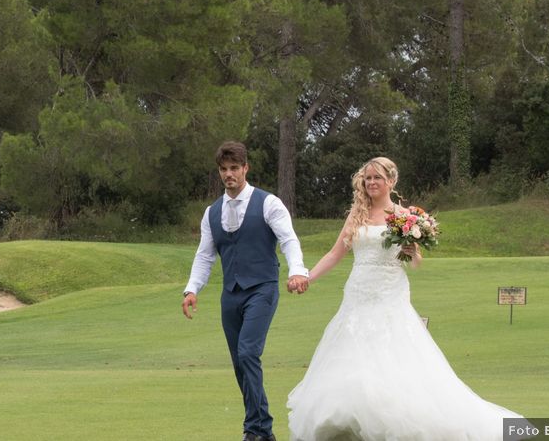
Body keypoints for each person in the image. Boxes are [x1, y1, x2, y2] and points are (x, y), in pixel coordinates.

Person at [287, 157, 524, 440]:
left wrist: (413, 252)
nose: (371, 182)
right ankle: (348, 422)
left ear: (391, 181)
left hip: (390, 291)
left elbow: (415, 262)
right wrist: (307, 277)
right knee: (352, 352)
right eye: (367, 178)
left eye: (377, 177)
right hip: (358, 291)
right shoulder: (357, 214)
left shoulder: (406, 216)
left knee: (393, 352)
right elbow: (335, 253)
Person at [182, 141, 310, 441]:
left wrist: (297, 270)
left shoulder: (268, 203)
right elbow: (204, 255)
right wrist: (191, 289)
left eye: (234, 168)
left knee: (248, 352)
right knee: (240, 362)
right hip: (231, 294)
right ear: (219, 172)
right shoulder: (211, 212)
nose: (229, 174)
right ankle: (262, 428)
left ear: (245, 169)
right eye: (224, 169)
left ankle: (255, 430)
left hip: (262, 288)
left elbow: (288, 239)